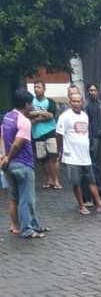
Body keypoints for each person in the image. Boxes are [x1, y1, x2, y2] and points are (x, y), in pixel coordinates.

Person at [56, 93, 101, 215]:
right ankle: (81, 205)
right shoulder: (65, 116)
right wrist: (60, 150)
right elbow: (59, 134)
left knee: (91, 180)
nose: (76, 104)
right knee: (76, 182)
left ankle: (99, 204)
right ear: (70, 102)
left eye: (78, 101)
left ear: (82, 102)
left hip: (85, 155)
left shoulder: (84, 116)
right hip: (72, 156)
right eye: (74, 101)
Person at [1, 88, 47, 238]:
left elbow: (1, 137)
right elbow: (17, 144)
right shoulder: (24, 122)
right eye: (31, 104)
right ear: (26, 104)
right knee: (27, 199)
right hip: (23, 163)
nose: (32, 107)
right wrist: (8, 155)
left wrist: (3, 156)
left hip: (10, 165)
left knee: (17, 196)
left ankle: (35, 224)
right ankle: (27, 229)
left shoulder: (8, 117)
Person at [29, 80, 62, 190]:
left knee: (53, 157)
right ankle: (49, 180)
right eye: (35, 87)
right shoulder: (31, 101)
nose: (36, 89)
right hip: (37, 134)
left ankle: (56, 180)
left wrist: (35, 118)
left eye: (38, 87)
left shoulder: (50, 102)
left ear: (44, 88)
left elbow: (51, 116)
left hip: (50, 132)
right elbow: (28, 114)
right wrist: (42, 113)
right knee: (43, 159)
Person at [0, 132, 18, 235]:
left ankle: (14, 224)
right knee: (13, 196)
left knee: (12, 197)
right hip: (4, 164)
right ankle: (15, 224)